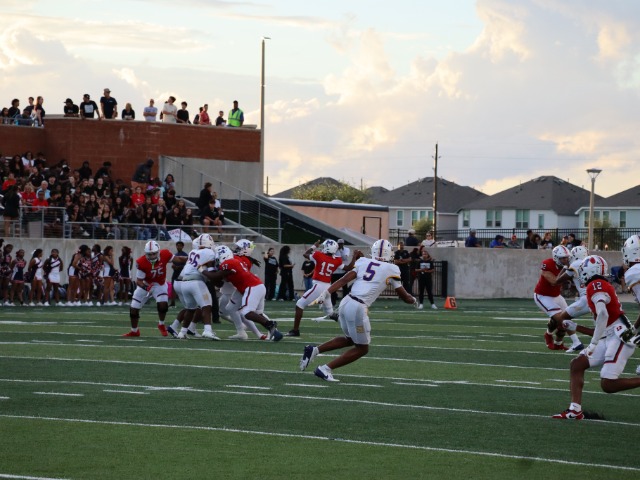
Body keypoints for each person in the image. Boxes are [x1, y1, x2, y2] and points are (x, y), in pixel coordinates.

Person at [299, 239, 418, 382]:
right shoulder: (392, 269)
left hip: (346, 302)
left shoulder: (363, 262)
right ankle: (325, 369)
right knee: (362, 348)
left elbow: (343, 280)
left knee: (350, 339)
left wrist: (326, 293)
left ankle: (314, 350)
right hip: (358, 307)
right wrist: (413, 300)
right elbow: (404, 296)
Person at [552, 255, 640, 420]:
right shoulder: (598, 285)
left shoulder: (595, 285)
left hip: (619, 337)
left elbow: (603, 315)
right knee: (577, 365)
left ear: (588, 271)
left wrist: (592, 344)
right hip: (611, 336)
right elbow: (602, 329)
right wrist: (576, 327)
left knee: (608, 384)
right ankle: (575, 410)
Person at [205, 245, 283, 341]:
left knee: (246, 312)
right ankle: (272, 332)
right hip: (253, 286)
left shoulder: (227, 263)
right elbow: (220, 282)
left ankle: (270, 324)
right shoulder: (233, 261)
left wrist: (204, 270)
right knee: (232, 308)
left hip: (251, 287)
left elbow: (215, 277)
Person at [122, 240, 186, 337]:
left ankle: (161, 324)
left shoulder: (165, 254)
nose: (152, 256)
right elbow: (139, 281)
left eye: (154, 254)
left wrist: (190, 259)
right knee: (134, 309)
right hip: (146, 284)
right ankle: (134, 331)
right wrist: (145, 287)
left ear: (158, 251)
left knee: (163, 305)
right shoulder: (141, 261)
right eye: (149, 254)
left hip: (159, 284)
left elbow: (179, 260)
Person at [287, 239, 348, 337]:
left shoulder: (319, 255)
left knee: (299, 304)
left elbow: (305, 254)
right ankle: (350, 327)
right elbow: (348, 268)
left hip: (319, 286)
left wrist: (314, 246)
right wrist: (355, 258)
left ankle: (295, 330)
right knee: (331, 313)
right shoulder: (337, 260)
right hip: (328, 287)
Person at [171, 234, 221, 340]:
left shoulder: (193, 252)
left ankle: (182, 332)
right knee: (207, 305)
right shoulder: (209, 252)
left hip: (184, 283)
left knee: (190, 309)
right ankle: (207, 330)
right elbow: (211, 268)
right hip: (196, 282)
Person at [550, 245, 591, 352]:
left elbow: (557, 281)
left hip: (586, 299)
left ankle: (577, 342)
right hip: (596, 296)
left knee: (563, 318)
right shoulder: (590, 263)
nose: (568, 258)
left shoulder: (575, 264)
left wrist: (565, 267)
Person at [534, 245, 571, 350]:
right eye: (563, 258)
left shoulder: (569, 264)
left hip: (557, 296)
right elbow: (554, 282)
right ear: (556, 258)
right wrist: (566, 270)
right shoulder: (547, 264)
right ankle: (548, 335)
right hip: (543, 296)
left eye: (566, 258)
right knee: (562, 320)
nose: (566, 260)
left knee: (567, 319)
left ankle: (558, 343)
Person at [330, 239, 351, 306]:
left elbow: (344, 258)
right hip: (335, 272)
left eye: (341, 244)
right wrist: (336, 250)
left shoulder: (346, 249)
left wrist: (340, 250)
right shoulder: (333, 249)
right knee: (333, 287)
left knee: (345, 287)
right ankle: (333, 302)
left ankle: (345, 302)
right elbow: (332, 257)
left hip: (343, 271)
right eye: (339, 244)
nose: (340, 245)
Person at [169, 241, 188, 307]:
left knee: (183, 288)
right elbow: (174, 264)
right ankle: (172, 302)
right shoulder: (175, 254)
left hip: (182, 273)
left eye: (180, 246)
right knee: (173, 287)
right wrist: (174, 266)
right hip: (176, 272)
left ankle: (186, 302)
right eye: (177, 246)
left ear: (182, 247)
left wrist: (179, 267)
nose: (178, 247)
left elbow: (187, 265)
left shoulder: (185, 255)